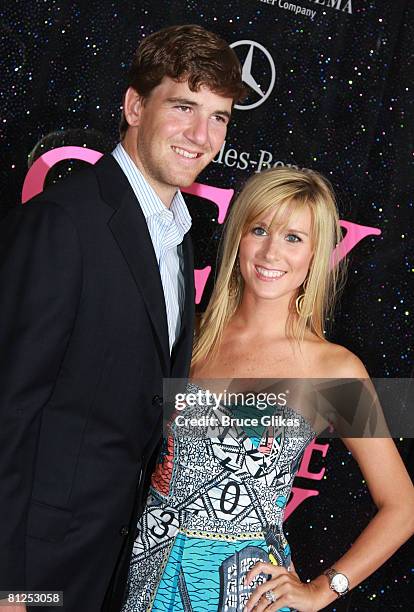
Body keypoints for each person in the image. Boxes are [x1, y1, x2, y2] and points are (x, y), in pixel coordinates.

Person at [0, 25, 244, 612]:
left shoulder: (178, 233)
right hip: (37, 565)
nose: (200, 135)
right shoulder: (65, 222)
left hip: (111, 561)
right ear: (135, 105)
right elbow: (8, 405)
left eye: (218, 117)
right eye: (183, 107)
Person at [124, 167, 414, 611]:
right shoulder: (189, 336)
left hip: (245, 595)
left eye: (294, 238)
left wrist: (323, 589)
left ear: (317, 254)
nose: (271, 252)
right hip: (140, 577)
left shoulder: (332, 369)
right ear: (238, 235)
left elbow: (402, 506)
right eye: (259, 229)